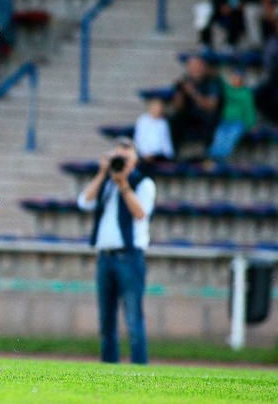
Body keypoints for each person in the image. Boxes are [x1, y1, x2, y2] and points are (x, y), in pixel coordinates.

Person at [77, 138, 156, 364]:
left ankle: (140, 366)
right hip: (105, 257)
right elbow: (84, 202)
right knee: (106, 319)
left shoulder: (143, 184)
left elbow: (141, 213)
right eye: (118, 158)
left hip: (129, 257)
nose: (122, 163)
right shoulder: (106, 183)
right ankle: (109, 365)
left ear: (135, 161)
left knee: (133, 318)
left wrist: (123, 184)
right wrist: (103, 173)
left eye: (126, 159)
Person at [168, 55, 223, 158]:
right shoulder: (185, 81)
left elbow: (210, 106)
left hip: (207, 116)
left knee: (211, 119)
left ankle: (208, 156)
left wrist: (192, 92)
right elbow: (178, 107)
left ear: (203, 67)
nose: (195, 69)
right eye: (192, 66)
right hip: (190, 116)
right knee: (173, 119)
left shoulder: (212, 81)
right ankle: (173, 155)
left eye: (197, 66)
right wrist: (178, 93)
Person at [207, 69, 257, 164]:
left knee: (230, 137)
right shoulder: (227, 90)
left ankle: (221, 158)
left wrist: (250, 124)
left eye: (238, 78)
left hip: (238, 122)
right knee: (219, 136)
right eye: (234, 77)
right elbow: (221, 85)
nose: (235, 80)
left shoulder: (246, 94)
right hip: (225, 121)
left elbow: (249, 110)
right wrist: (217, 77)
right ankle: (213, 156)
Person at [133, 98, 175, 165]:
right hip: (145, 155)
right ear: (151, 108)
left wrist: (170, 155)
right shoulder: (143, 121)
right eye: (156, 108)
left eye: (160, 108)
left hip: (159, 155)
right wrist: (146, 153)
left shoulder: (163, 122)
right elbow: (140, 139)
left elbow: (165, 140)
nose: (158, 110)